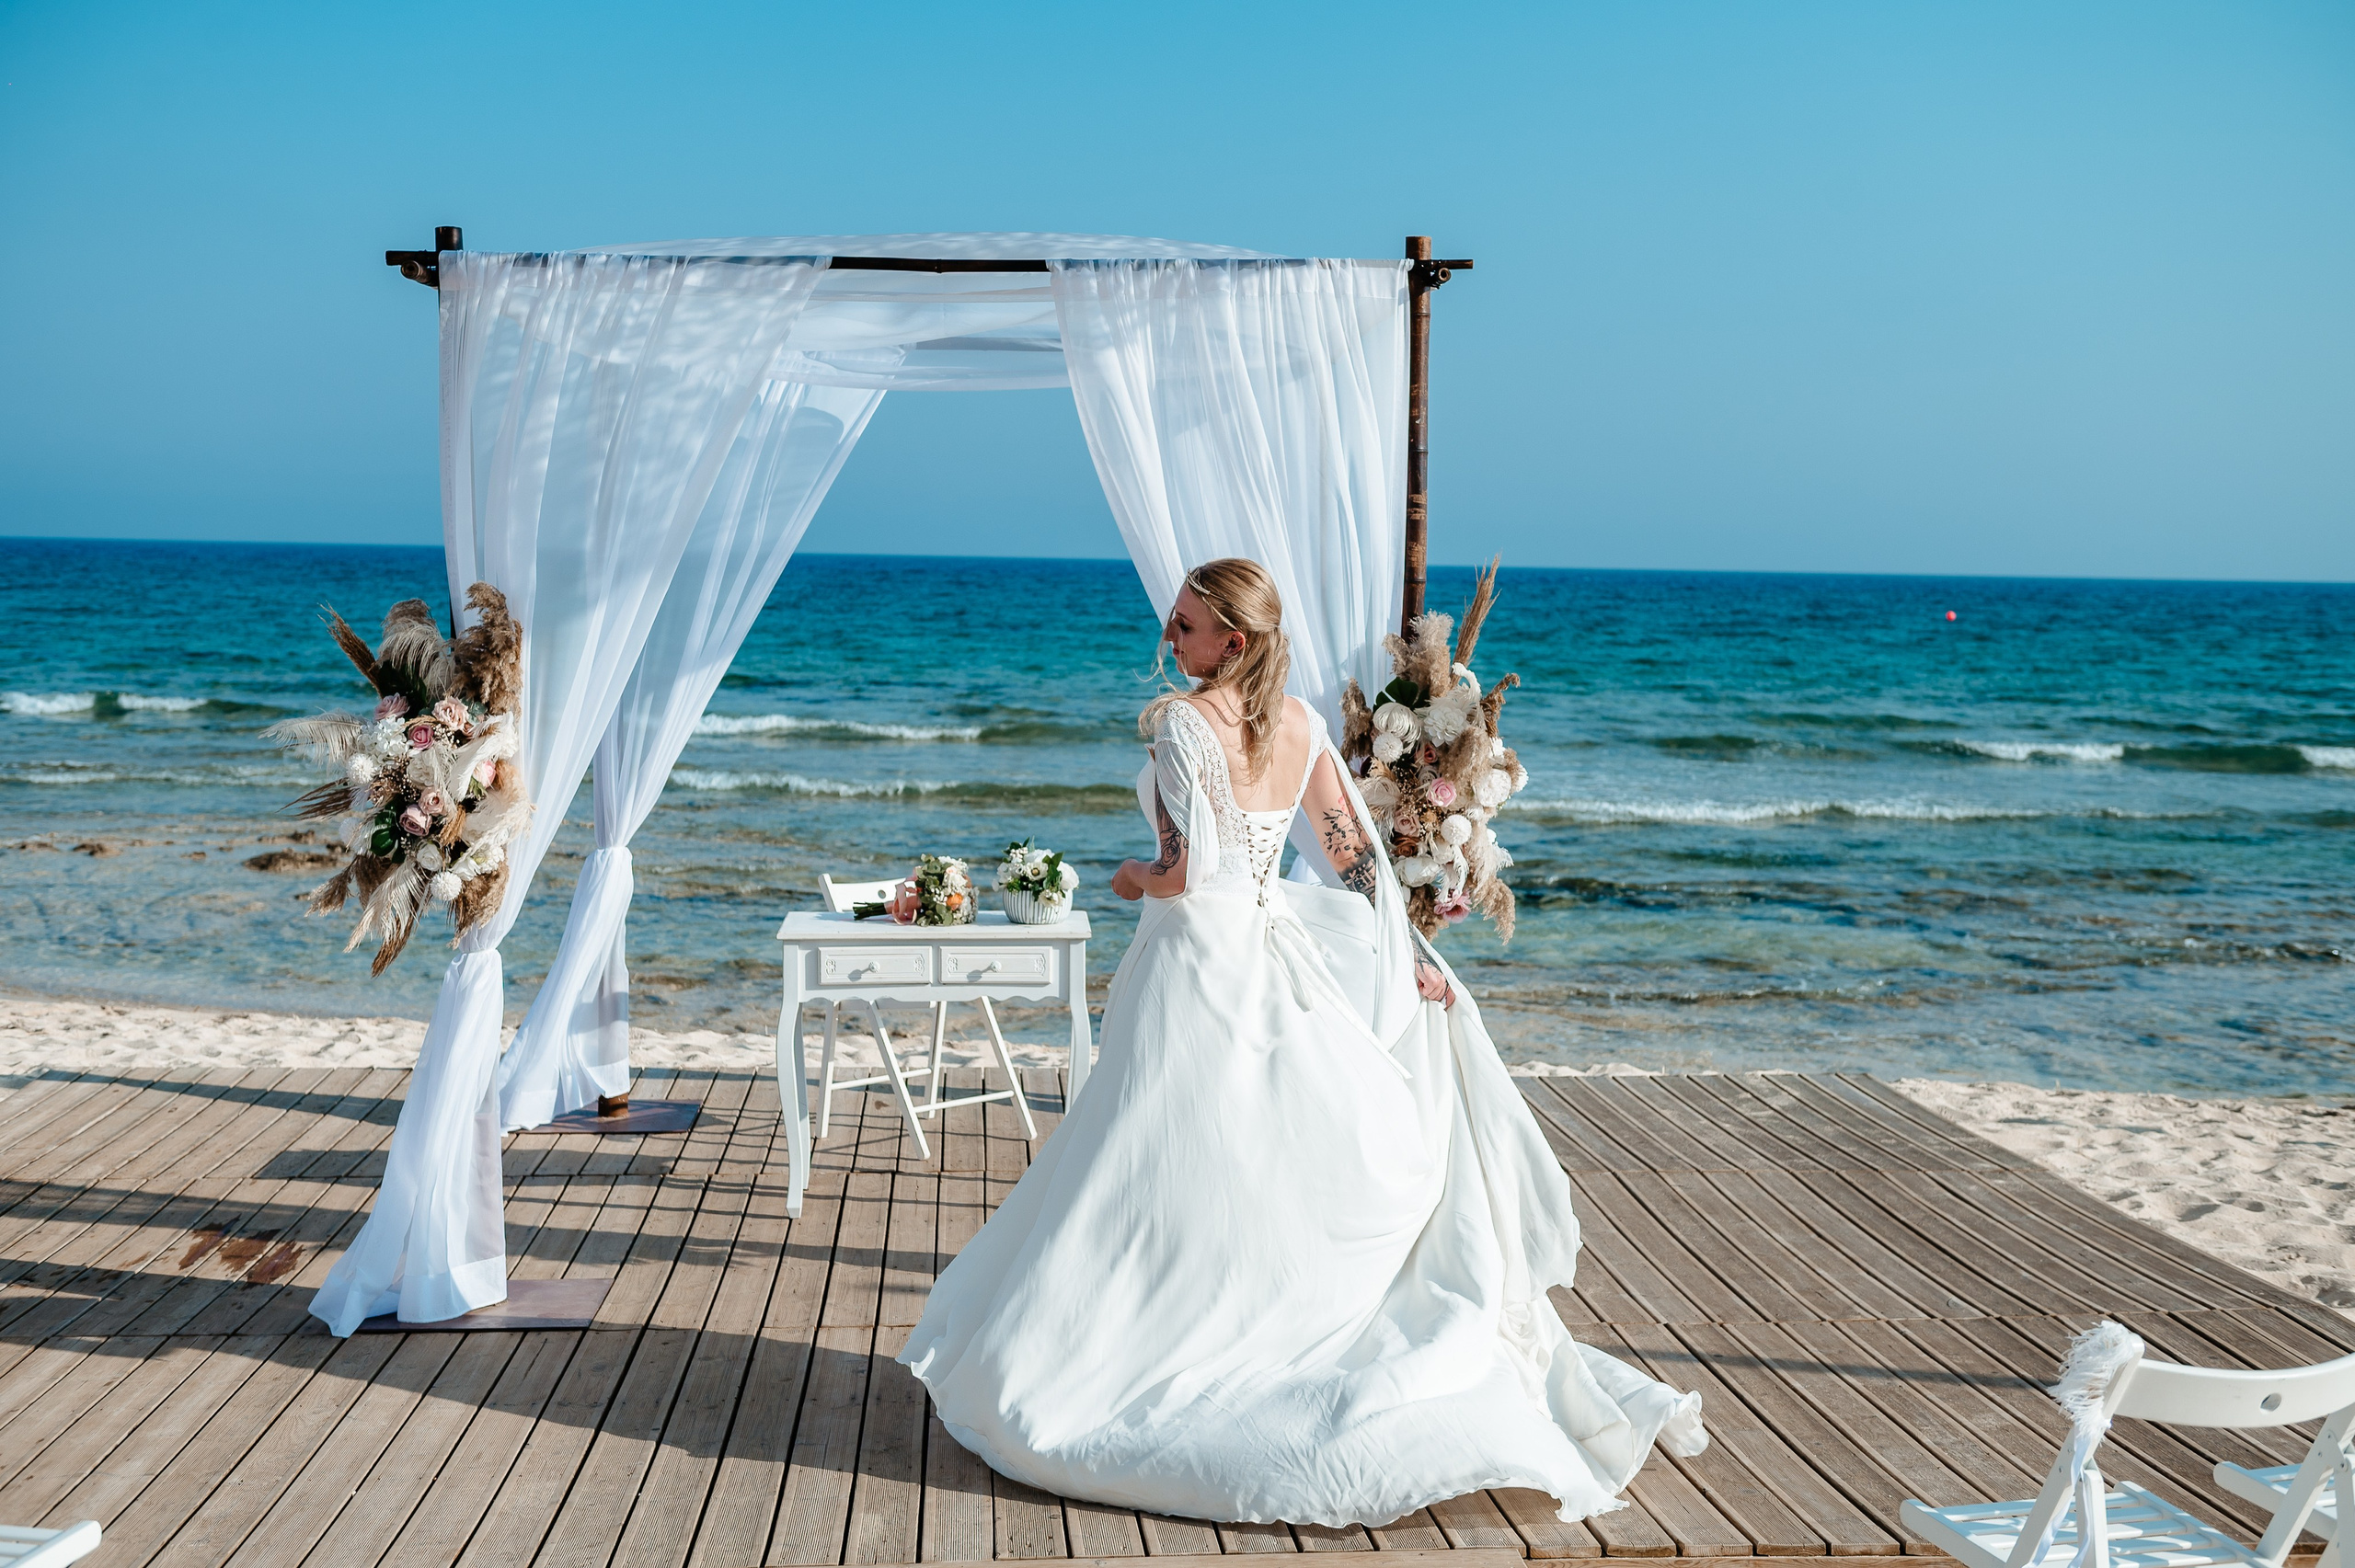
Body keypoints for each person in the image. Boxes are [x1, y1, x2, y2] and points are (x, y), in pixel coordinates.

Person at [899, 557, 1705, 1528]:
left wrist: (1128, 877)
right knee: (1230, 1153)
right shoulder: (1297, 723)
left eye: (1185, 625)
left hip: (1195, 965)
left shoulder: (1183, 724)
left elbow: (1185, 871)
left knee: (1153, 1159)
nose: (1170, 638)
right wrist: (1402, 945)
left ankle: (1152, 1338)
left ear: (1231, 641)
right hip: (1274, 948)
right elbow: (1353, 854)